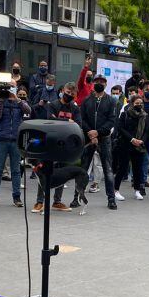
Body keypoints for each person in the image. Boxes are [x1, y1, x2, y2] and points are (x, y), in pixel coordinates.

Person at [33, 83, 80, 213]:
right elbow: (50, 120)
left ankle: (57, 201)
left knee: (62, 173)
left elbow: (78, 124)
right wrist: (67, 122)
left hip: (65, 145)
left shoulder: (75, 108)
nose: (69, 94)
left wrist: (61, 120)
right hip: (50, 143)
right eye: (67, 91)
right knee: (44, 172)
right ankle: (39, 201)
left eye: (72, 93)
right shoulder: (52, 105)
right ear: (62, 90)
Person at [80, 74, 118, 209]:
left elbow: (111, 120)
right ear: (93, 83)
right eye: (97, 81)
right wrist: (90, 132)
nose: (99, 83)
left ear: (106, 84)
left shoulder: (111, 101)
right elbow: (81, 118)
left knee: (108, 169)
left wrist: (98, 132)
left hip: (104, 138)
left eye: (102, 82)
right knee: (84, 168)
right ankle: (77, 197)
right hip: (88, 138)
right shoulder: (86, 100)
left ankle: (111, 199)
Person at [113, 94, 149, 201]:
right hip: (125, 144)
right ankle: (116, 190)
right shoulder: (125, 114)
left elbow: (147, 130)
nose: (139, 105)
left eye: (140, 103)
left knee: (137, 168)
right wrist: (132, 139)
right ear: (132, 104)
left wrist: (142, 140)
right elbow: (120, 128)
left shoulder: (145, 115)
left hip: (139, 145)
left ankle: (137, 190)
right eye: (136, 103)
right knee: (122, 168)